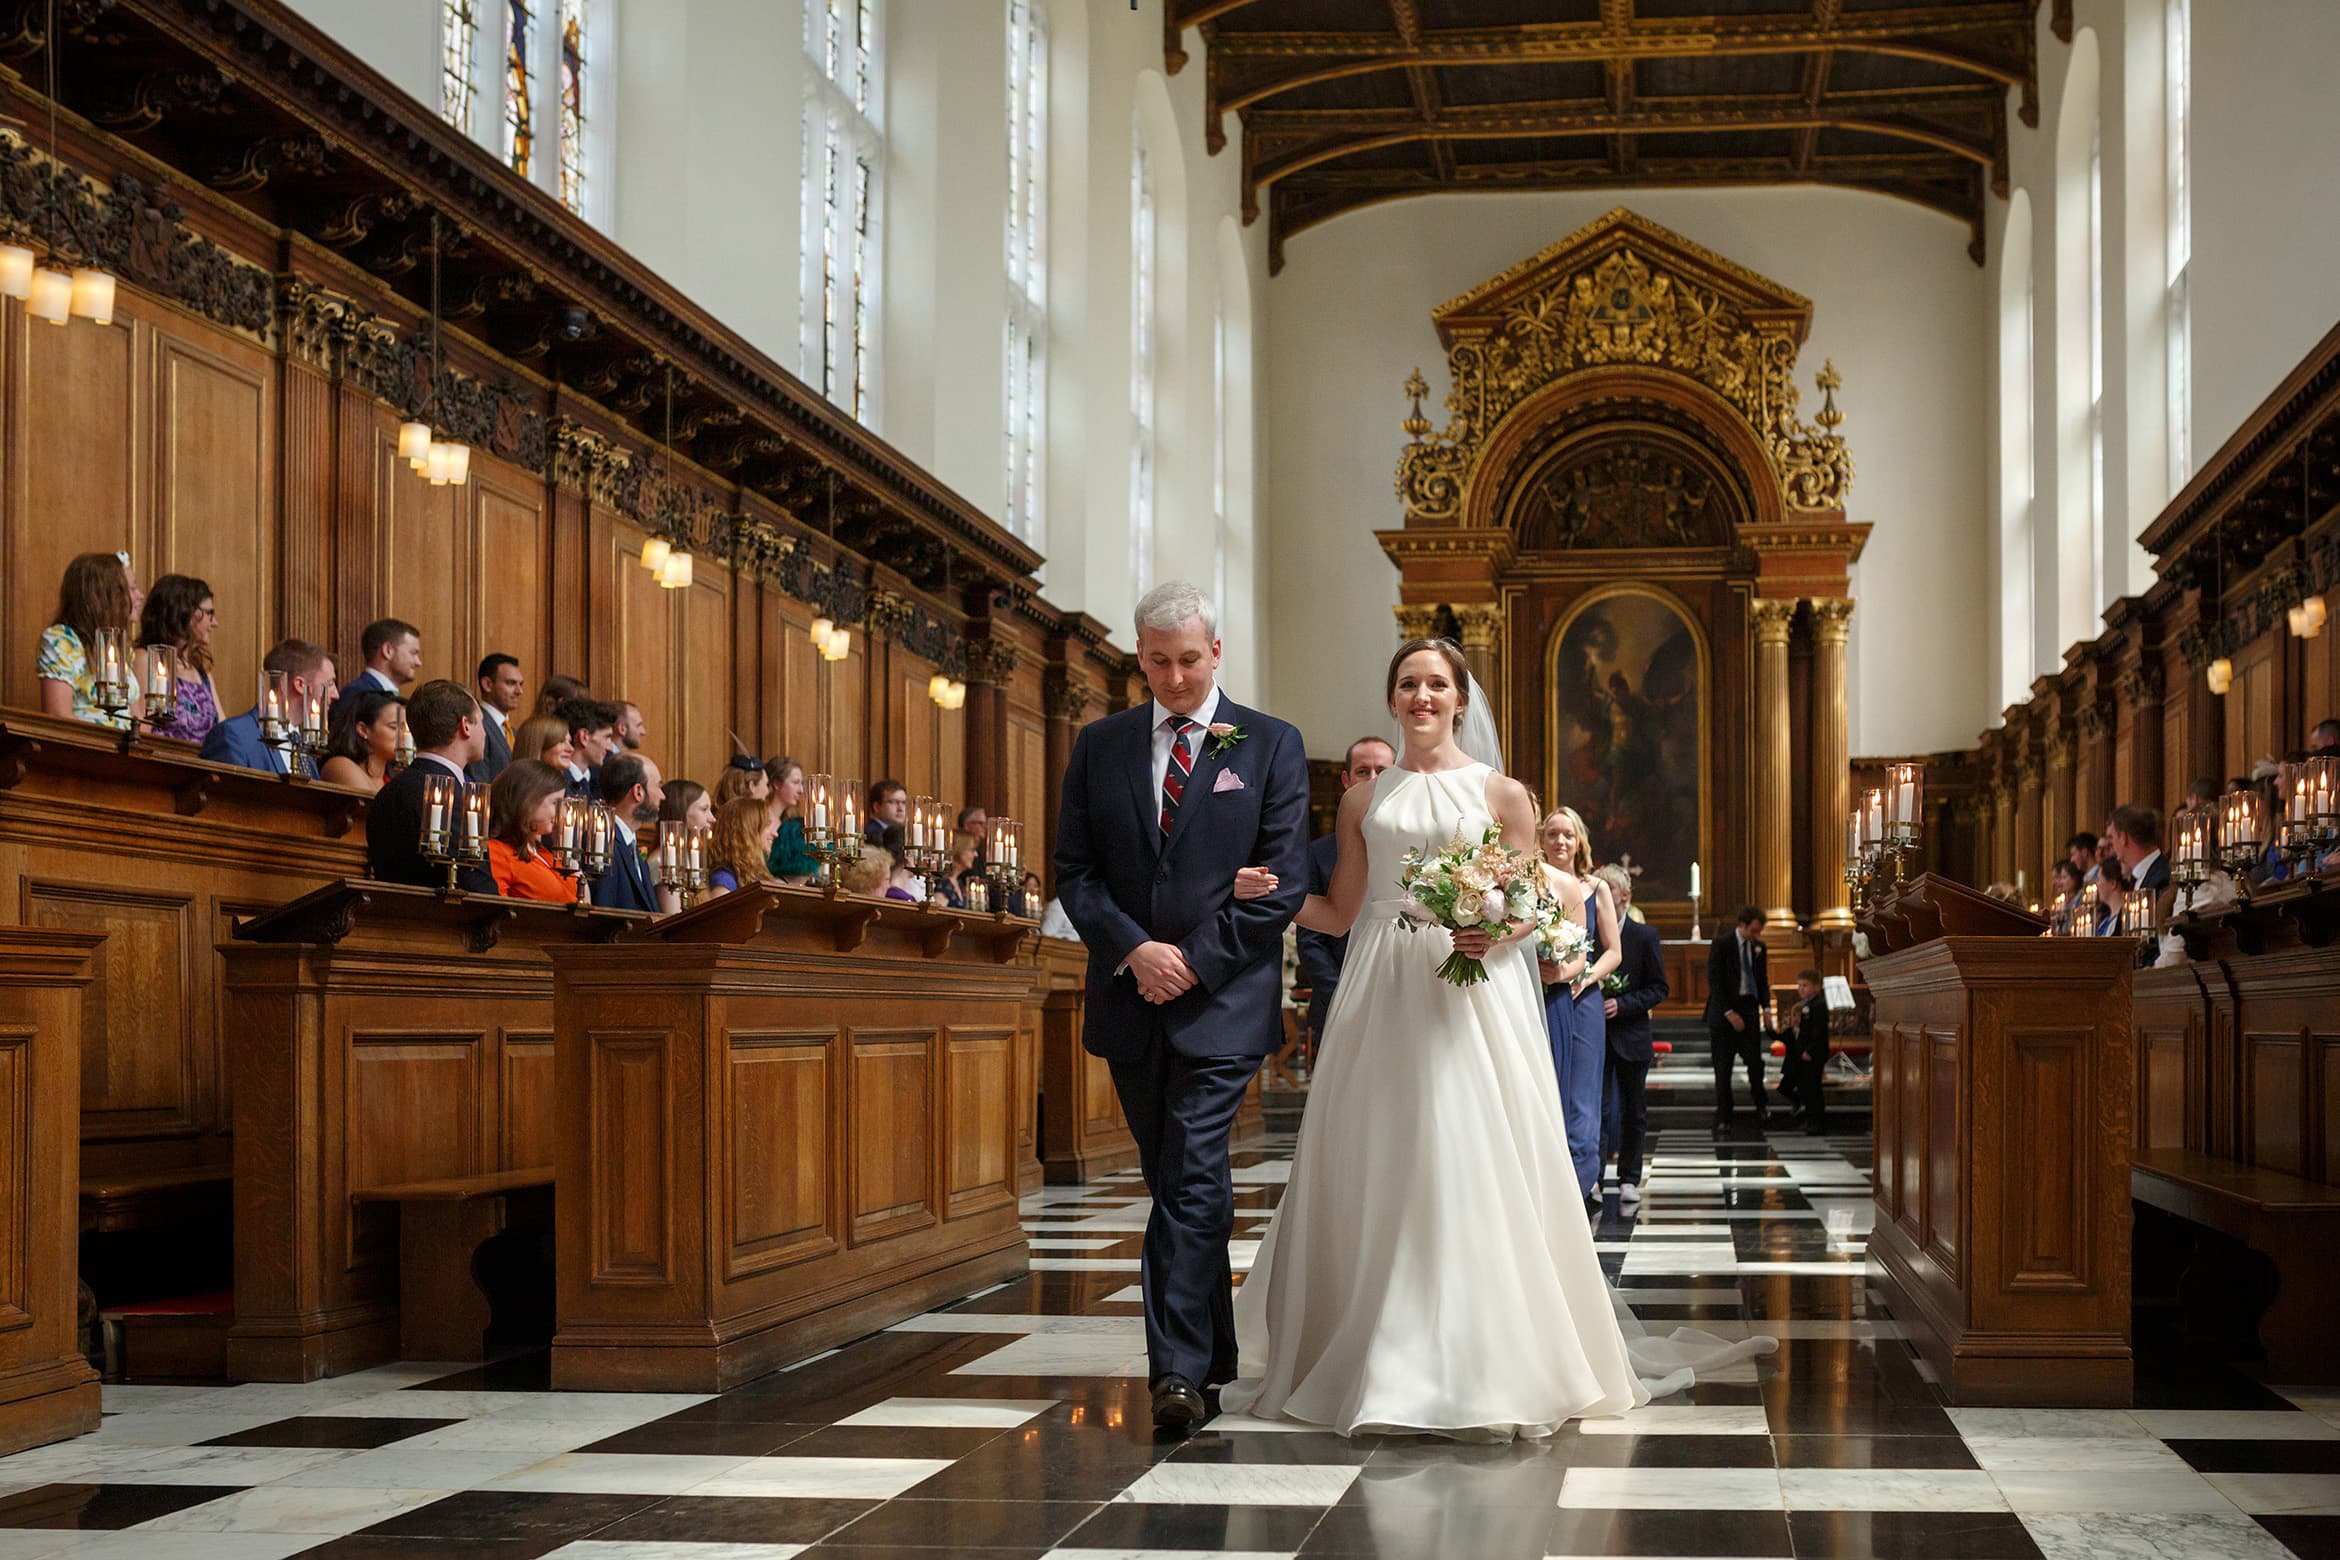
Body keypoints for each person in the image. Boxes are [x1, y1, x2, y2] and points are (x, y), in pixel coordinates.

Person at [1223, 635, 1769, 1439]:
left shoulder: (1503, 794)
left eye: (1436, 684)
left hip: (1470, 993)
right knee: (1381, 1151)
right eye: (1407, 683)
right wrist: (1270, 894)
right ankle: (1374, 1343)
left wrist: (1493, 933)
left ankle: (1485, 1355)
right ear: (1393, 697)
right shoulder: (1361, 801)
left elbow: (1533, 911)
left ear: (1460, 698)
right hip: (1383, 987)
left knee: (1465, 1146)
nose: (1421, 697)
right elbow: (1339, 911)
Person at [1052, 580, 1308, 1432]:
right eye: (1158, 662)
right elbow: (1076, 873)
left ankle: (1176, 1374)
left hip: (1224, 1002)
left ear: (1216, 652)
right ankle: (1216, 1354)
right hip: (1131, 996)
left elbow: (1279, 887)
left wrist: (1190, 963)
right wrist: (1134, 950)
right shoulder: (1102, 745)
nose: (1175, 677)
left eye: (1189, 660)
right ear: (1140, 658)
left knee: (1193, 1173)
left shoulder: (1269, 745)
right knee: (1177, 1182)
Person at [1540, 804, 1622, 1209]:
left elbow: (1614, 951)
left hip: (1582, 999)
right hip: (1540, 995)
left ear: (1579, 842)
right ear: (1541, 839)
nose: (1560, 841)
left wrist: (1583, 978)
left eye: (1567, 834)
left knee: (1582, 1094)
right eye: (1552, 833)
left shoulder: (1595, 888)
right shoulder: (1531, 884)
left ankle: (1579, 1181)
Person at [1296, 736, 1393, 1053]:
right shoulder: (1318, 853)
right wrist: (1342, 991)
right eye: (1363, 771)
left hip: (1402, 992)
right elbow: (1311, 938)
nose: (1373, 780)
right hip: (1337, 1000)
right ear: (1346, 780)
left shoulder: (1416, 844)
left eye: (1383, 770)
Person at [365, 679, 494, 893]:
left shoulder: (388, 792)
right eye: (480, 722)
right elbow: (477, 887)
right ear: (465, 726)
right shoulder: (454, 797)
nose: (485, 733)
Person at [1593, 862, 1666, 1203]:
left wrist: (1623, 1005)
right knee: (1597, 1109)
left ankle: (1629, 1178)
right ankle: (1592, 1176)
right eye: (1599, 888)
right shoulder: (1587, 933)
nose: (1604, 895)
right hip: (1595, 1033)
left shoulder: (1644, 936)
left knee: (1634, 1111)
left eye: (1611, 889)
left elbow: (1658, 988)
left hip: (1632, 1034)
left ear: (1626, 895)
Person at [37, 551, 144, 730]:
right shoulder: (62, 641)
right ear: (105, 596)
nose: (140, 595)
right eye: (132, 589)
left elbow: (137, 718)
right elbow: (58, 716)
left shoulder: (120, 647)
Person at [202, 639, 337, 778]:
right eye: (330, 684)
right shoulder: (234, 736)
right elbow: (223, 798)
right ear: (300, 685)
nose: (336, 695)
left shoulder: (307, 747)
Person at [1703, 906, 1772, 1130]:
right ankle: (1724, 1115)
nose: (1756, 936)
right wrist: (1729, 1013)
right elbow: (1715, 982)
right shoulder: (1722, 945)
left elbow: (1762, 981)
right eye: (1753, 931)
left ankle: (1761, 1105)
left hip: (1749, 1010)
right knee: (1723, 1068)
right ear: (1741, 925)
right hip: (1724, 1013)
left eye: (1759, 931)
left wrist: (1768, 1008)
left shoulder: (1759, 948)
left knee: (1755, 1063)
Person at [135, 573, 220, 743]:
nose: (215, 622)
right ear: (184, 613)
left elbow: (224, 730)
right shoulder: (146, 659)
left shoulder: (201, 672)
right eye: (209, 613)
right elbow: (142, 727)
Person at [486, 759, 575, 902]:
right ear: (527, 800)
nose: (563, 813)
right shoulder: (497, 852)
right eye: (555, 803)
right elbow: (498, 914)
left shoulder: (544, 852)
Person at [590, 753, 663, 913]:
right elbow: (603, 914)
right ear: (638, 792)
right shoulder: (604, 843)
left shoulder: (630, 845)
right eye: (657, 786)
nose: (662, 796)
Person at [331, 618, 420, 728]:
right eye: (413, 653)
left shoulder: (372, 692)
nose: (418, 662)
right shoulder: (358, 695)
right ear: (388, 651)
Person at [318, 689, 406, 794]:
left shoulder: (395, 776)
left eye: (405, 728)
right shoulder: (340, 765)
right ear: (363, 730)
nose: (404, 735)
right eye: (394, 727)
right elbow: (373, 808)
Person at [653, 780, 716, 913]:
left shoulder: (689, 858)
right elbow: (673, 918)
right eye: (704, 809)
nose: (712, 818)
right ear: (681, 811)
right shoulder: (662, 861)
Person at [1782, 968, 1831, 1131]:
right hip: (1804, 1053)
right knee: (1806, 1087)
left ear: (1816, 987)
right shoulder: (1807, 1004)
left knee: (1813, 1087)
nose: (1800, 989)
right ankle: (1810, 1118)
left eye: (1805, 985)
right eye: (1799, 985)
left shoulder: (1818, 1005)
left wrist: (1809, 1050)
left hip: (1813, 1053)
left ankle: (1816, 1121)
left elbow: (1818, 1031)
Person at [763, 757, 822, 883]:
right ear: (777, 784)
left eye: (801, 784)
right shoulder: (758, 820)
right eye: (795, 783)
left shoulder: (791, 825)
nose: (801, 790)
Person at [707, 795, 778, 895]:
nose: (775, 834)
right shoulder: (724, 881)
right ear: (747, 832)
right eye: (767, 825)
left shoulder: (754, 874)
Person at [470, 653, 524, 783]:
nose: (519, 691)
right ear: (488, 684)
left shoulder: (514, 733)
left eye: (521, 684)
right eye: (511, 683)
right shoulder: (477, 725)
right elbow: (479, 783)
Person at [556, 697, 621, 799]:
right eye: (607, 737)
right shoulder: (558, 786)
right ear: (584, 737)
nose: (609, 748)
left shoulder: (595, 782)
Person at [2106, 803, 2169, 897]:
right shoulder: (2135, 879)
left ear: (2123, 838)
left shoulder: (2162, 880)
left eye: (2111, 837)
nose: (2108, 843)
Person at [865, 779, 908, 844]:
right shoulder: (871, 835)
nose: (901, 809)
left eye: (904, 802)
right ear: (877, 807)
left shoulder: (905, 833)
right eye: (894, 802)